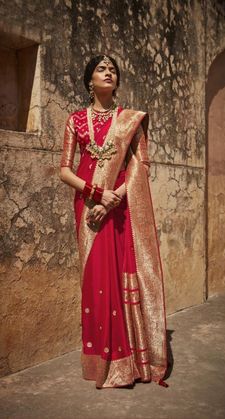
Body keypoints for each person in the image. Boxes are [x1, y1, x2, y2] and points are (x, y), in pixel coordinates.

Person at [60, 54, 168, 389]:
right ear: (89, 81)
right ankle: (102, 364)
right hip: (89, 207)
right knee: (95, 279)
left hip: (121, 207)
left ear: (117, 81)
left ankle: (131, 362)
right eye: (100, 69)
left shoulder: (129, 120)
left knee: (123, 273)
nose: (108, 73)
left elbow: (141, 167)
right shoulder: (75, 120)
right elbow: (64, 170)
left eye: (113, 70)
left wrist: (113, 197)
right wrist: (95, 192)